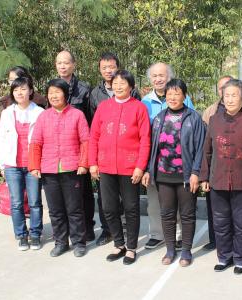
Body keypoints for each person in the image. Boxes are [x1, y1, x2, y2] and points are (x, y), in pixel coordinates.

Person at [200, 79, 242, 275]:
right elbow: (207, 151)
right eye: (226, 95)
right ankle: (224, 256)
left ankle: (241, 258)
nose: (230, 99)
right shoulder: (214, 119)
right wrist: (204, 178)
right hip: (217, 179)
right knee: (220, 221)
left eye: (234, 95)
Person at [89, 70, 150, 265]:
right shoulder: (103, 107)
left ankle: (131, 247)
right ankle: (119, 244)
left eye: (123, 83)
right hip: (106, 166)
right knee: (108, 207)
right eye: (115, 82)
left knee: (131, 208)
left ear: (131, 87)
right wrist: (93, 163)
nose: (118, 86)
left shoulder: (139, 108)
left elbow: (145, 140)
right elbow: (94, 137)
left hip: (130, 167)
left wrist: (140, 166)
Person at [142, 79, 205, 267]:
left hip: (185, 176)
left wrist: (195, 172)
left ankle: (186, 251)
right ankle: (170, 249)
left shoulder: (194, 118)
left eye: (177, 93)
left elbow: (200, 148)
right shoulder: (160, 118)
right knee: (167, 213)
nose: (173, 97)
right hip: (163, 175)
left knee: (187, 214)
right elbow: (153, 147)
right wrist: (148, 169)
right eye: (169, 94)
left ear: (185, 96)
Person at [28, 79, 89, 258]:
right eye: (51, 92)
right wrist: (34, 165)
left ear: (65, 94)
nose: (54, 96)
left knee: (75, 209)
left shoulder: (77, 115)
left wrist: (84, 163)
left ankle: (79, 242)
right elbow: (36, 142)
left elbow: (85, 141)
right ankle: (61, 242)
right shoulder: (43, 116)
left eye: (57, 92)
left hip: (72, 169)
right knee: (55, 210)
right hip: (49, 169)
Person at [141, 62, 194, 250]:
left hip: (180, 162)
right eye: (154, 76)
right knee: (155, 201)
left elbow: (192, 128)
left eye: (162, 75)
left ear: (169, 77)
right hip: (156, 160)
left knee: (179, 201)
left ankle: (179, 235)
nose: (158, 79)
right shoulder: (145, 102)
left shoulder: (183, 98)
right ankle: (157, 234)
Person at [0, 76, 44, 251]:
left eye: (23, 89)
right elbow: (1, 139)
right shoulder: (7, 113)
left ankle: (36, 234)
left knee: (34, 202)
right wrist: (2, 164)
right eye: (16, 90)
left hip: (33, 165)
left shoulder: (39, 112)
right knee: (16, 203)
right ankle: (21, 235)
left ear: (30, 91)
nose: (19, 92)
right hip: (12, 165)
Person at [55, 50, 96, 242]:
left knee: (84, 190)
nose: (62, 66)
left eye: (66, 63)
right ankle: (69, 231)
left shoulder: (84, 89)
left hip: (81, 146)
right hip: (61, 149)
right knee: (66, 192)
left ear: (74, 64)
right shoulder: (53, 88)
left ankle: (87, 227)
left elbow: (91, 119)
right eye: (59, 63)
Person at [201, 75, 233, 251]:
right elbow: (205, 144)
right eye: (221, 88)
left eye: (228, 87)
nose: (225, 91)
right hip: (215, 167)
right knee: (214, 208)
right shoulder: (210, 112)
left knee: (235, 209)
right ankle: (215, 240)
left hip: (236, 168)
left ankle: (234, 241)